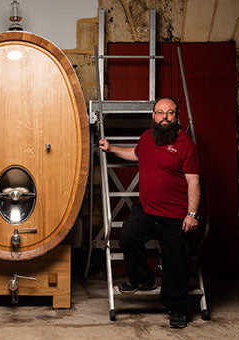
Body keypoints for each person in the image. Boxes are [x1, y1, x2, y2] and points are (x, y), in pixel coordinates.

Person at [98, 97, 201, 329]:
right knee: (127, 236)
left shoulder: (186, 145)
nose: (164, 117)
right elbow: (135, 154)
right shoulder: (146, 138)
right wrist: (112, 148)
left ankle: (176, 309)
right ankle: (141, 278)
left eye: (170, 113)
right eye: (159, 112)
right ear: (153, 116)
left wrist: (192, 214)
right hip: (147, 209)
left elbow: (194, 182)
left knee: (176, 261)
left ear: (177, 117)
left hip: (175, 215)